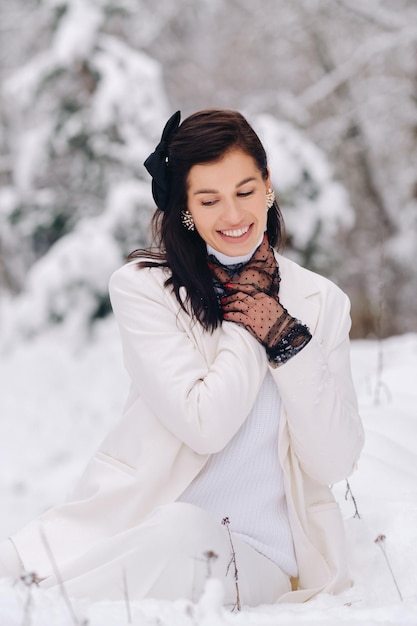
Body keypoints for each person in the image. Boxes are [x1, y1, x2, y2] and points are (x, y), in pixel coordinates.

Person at [0, 109, 364, 607]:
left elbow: (335, 460)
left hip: (256, 555)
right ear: (186, 209)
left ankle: (31, 612)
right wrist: (246, 319)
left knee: (182, 537)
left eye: (245, 192)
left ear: (268, 185)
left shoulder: (320, 302)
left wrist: (284, 339)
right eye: (210, 200)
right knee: (14, 562)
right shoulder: (146, 289)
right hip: (131, 521)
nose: (234, 217)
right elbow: (204, 423)